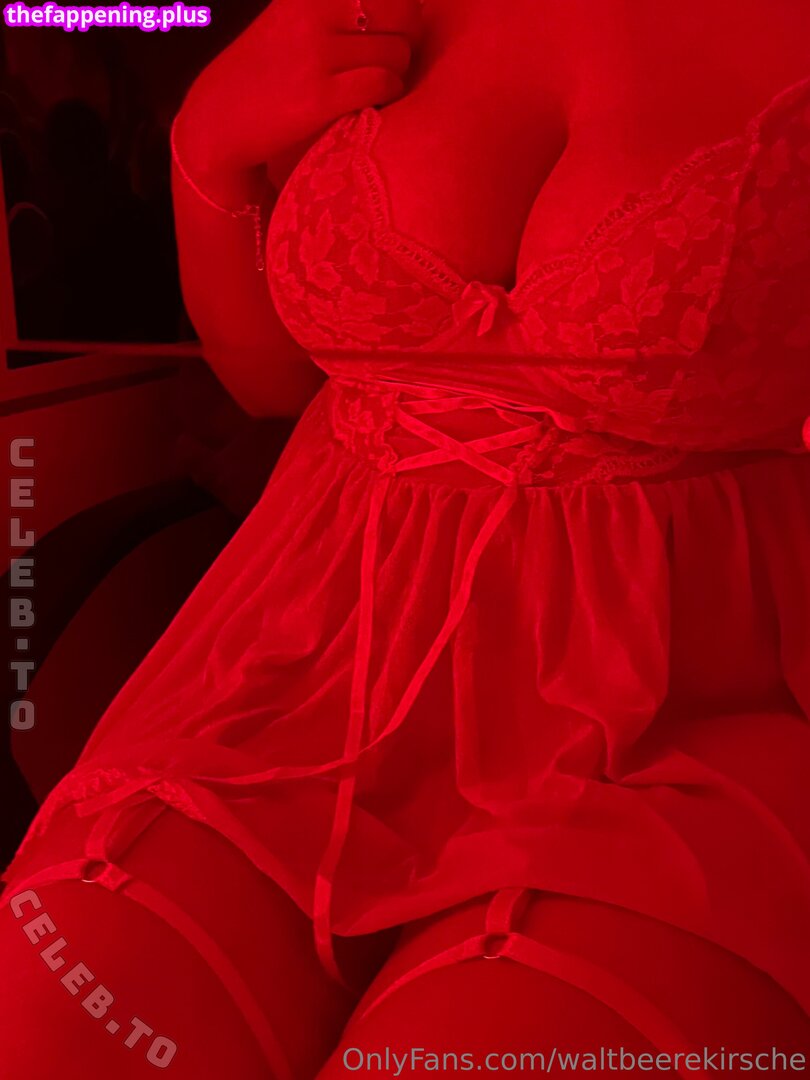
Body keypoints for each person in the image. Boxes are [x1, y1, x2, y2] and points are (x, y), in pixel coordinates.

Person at [2, 0, 810, 1075]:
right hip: (306, 669)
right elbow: (276, 386)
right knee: (48, 1029)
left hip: (675, 707)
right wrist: (208, 148)